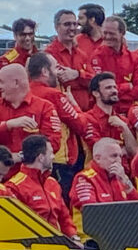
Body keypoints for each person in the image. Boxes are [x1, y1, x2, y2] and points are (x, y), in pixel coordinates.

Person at [26, 53, 90, 194]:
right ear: (44, 71)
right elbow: (81, 125)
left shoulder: (25, 93)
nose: (58, 73)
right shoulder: (54, 95)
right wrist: (73, 103)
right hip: (59, 162)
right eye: (55, 68)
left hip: (32, 162)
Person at [6, 135, 78, 239]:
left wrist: (73, 236)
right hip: (32, 247)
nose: (53, 157)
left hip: (58, 245)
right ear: (41, 157)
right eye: (51, 153)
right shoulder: (15, 186)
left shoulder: (52, 183)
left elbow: (64, 217)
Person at [70, 137, 138, 227]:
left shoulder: (121, 178)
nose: (118, 160)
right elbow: (91, 212)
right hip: (91, 237)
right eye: (114, 156)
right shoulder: (84, 178)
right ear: (98, 158)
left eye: (120, 156)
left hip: (118, 234)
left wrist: (126, 182)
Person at [0, 63, 62, 154]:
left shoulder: (45, 107)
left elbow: (53, 143)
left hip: (31, 167)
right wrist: (8, 125)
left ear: (16, 83)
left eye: (1, 82)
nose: (0, 86)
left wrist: (22, 157)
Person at [45, 9, 92, 110]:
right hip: (63, 113)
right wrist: (83, 81)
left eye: (74, 24)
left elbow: (94, 81)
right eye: (67, 24)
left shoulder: (82, 54)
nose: (72, 28)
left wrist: (77, 74)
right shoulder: (49, 54)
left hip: (85, 112)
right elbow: (62, 81)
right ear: (56, 27)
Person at [84, 72, 137, 157]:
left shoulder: (123, 121)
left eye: (114, 87)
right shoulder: (87, 118)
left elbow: (135, 152)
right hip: (99, 169)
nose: (114, 91)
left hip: (124, 169)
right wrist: (123, 149)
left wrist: (124, 128)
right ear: (96, 93)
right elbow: (100, 150)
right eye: (108, 88)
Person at [91, 15, 137, 102]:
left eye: (111, 33)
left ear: (122, 33)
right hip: (107, 109)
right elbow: (100, 90)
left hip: (130, 109)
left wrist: (113, 93)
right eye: (105, 33)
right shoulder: (96, 57)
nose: (107, 37)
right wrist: (126, 86)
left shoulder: (134, 58)